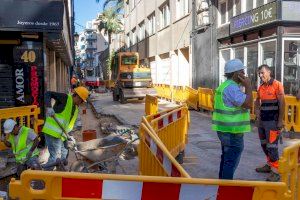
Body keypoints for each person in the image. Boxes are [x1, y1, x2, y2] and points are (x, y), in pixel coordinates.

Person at [212, 59, 252, 180]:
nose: (244, 74)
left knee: (226, 158)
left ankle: (221, 185)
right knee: (231, 161)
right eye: (242, 71)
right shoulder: (232, 88)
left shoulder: (223, 86)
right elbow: (248, 104)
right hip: (232, 132)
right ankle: (225, 188)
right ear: (236, 74)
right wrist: (249, 87)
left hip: (224, 130)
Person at [42, 86, 89, 169]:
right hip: (52, 132)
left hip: (62, 135)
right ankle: (45, 177)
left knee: (64, 153)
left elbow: (69, 125)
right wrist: (49, 107)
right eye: (81, 100)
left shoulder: (76, 109)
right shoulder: (65, 98)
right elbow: (48, 93)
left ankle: (60, 172)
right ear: (77, 96)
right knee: (55, 158)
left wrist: (70, 136)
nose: (81, 103)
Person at [255, 64, 285, 182]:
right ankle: (270, 165)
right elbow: (257, 101)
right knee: (264, 144)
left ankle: (275, 172)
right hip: (262, 122)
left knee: (272, 146)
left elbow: (282, 103)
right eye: (259, 74)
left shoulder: (277, 85)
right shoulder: (261, 87)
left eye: (262, 73)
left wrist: (280, 121)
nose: (260, 75)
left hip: (272, 122)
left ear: (269, 72)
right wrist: (257, 113)